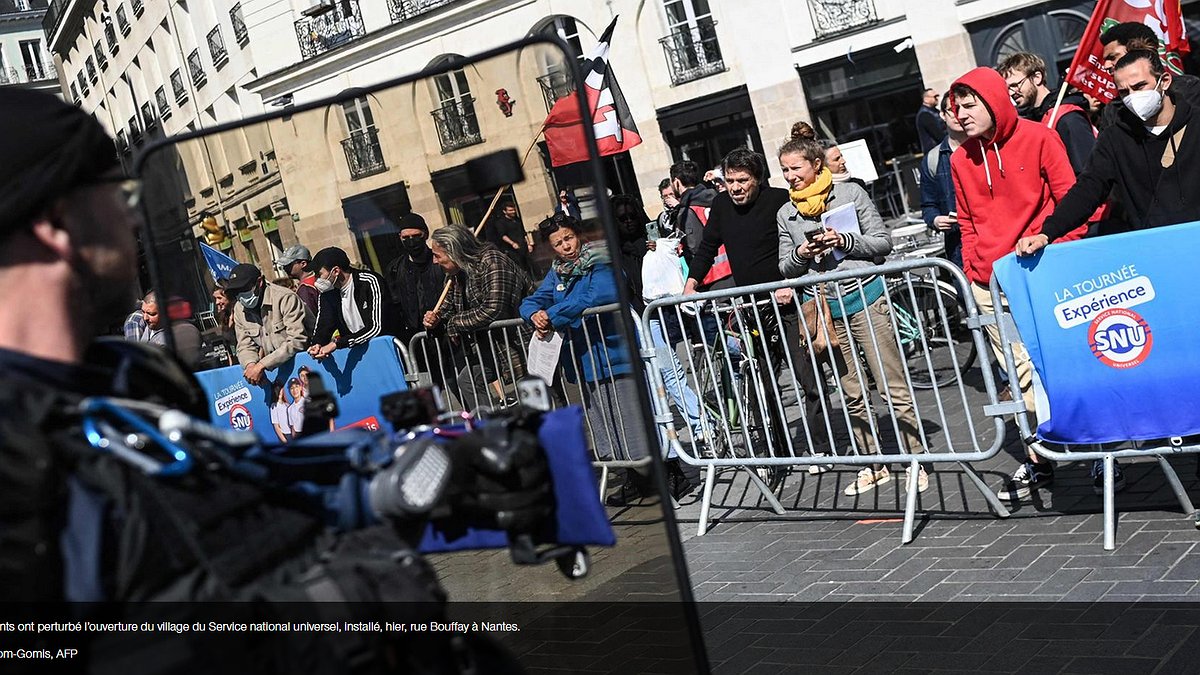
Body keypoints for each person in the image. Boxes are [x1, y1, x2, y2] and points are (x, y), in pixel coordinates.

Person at [0, 90, 545, 673]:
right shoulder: (17, 453)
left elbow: (242, 481)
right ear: (57, 221)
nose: (131, 218)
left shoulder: (127, 381)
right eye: (118, 194)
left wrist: (413, 472)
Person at [949, 67, 1087, 501]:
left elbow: (1071, 198)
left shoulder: (1040, 137)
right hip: (989, 282)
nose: (961, 114)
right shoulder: (959, 159)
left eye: (970, 105)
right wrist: (974, 266)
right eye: (956, 107)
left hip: (1041, 271)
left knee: (1062, 364)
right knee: (1018, 371)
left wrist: (1055, 244)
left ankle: (1092, 452)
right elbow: (967, 220)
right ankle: (1041, 459)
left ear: (993, 100)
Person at [776, 124, 930, 495]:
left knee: (891, 384)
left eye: (796, 169)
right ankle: (872, 463)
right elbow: (784, 266)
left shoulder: (850, 192)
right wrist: (801, 254)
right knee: (852, 392)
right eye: (784, 170)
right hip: (828, 307)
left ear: (815, 164)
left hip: (867, 298)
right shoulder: (787, 214)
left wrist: (844, 240)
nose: (790, 177)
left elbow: (882, 241)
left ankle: (915, 459)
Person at [518, 214, 655, 504]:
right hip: (585, 360)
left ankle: (660, 473)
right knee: (605, 423)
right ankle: (632, 477)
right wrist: (533, 313)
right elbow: (534, 299)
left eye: (568, 238)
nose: (566, 247)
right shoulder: (558, 272)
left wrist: (552, 315)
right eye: (558, 243)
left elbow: (595, 297)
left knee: (632, 419)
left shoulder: (601, 260)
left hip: (615, 354)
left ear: (578, 235)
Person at [682, 148, 799, 476]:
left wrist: (789, 282)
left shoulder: (778, 199)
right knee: (763, 380)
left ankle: (822, 444)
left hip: (786, 298)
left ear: (758, 180)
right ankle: (780, 452)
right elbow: (707, 247)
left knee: (806, 374)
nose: (734, 187)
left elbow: (797, 239)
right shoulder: (720, 205)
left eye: (741, 180)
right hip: (751, 305)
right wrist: (691, 284)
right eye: (729, 180)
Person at [1020, 50, 1200, 250]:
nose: (1133, 97)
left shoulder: (1196, 123)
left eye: (1140, 86)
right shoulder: (1115, 138)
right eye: (1124, 92)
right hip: (1155, 252)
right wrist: (1047, 233)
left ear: (1164, 81)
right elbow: (1089, 188)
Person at [611, 195, 704, 499]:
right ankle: (670, 460)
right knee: (651, 394)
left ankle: (702, 425)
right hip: (628, 326)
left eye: (631, 216)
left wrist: (656, 251)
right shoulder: (613, 252)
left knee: (669, 373)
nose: (628, 222)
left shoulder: (649, 244)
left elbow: (654, 281)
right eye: (622, 218)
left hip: (649, 320)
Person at [422, 225, 533, 410]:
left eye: (438, 255)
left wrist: (455, 323)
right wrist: (435, 319)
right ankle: (490, 430)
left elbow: (493, 309)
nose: (434, 261)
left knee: (537, 402)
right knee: (468, 381)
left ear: (455, 251)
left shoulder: (492, 261)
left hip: (520, 343)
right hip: (490, 347)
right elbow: (447, 309)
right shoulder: (455, 275)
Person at [998, 52, 1097, 174]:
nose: (1012, 93)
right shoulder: (1032, 120)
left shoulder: (1068, 118)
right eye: (1008, 89)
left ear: (1037, 77)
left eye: (1015, 85)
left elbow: (1089, 170)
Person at [221, 262, 313, 384]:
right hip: (278, 372)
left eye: (244, 289)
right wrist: (250, 365)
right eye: (236, 292)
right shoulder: (239, 309)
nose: (241, 295)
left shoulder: (284, 298)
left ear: (259, 282)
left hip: (307, 365)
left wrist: (262, 365)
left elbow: (297, 340)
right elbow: (244, 345)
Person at [308, 246, 395, 360]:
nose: (316, 280)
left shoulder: (369, 282)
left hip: (386, 351)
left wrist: (337, 344)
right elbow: (324, 325)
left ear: (336, 271)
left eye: (319, 275)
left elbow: (376, 327)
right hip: (357, 355)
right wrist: (317, 345)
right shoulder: (327, 294)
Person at [919, 92, 968, 267]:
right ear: (942, 115)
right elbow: (928, 205)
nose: (959, 114)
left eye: (966, 107)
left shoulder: (986, 150)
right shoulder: (933, 160)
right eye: (952, 110)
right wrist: (936, 220)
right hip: (959, 249)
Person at [383, 212, 443, 342]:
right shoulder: (394, 269)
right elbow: (394, 306)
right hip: (414, 340)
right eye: (406, 237)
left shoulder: (440, 262)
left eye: (416, 236)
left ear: (425, 234)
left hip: (444, 335)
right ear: (400, 237)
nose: (411, 241)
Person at [670, 160, 724, 287]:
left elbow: (694, 247)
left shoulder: (687, 211)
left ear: (677, 182)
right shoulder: (717, 197)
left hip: (712, 276)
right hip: (732, 268)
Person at [485, 200, 533, 275]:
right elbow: (503, 236)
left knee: (529, 265)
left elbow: (524, 232)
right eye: (510, 210)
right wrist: (512, 243)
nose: (513, 212)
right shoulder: (501, 222)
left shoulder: (517, 220)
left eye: (514, 210)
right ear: (505, 211)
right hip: (512, 249)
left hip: (523, 245)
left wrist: (529, 244)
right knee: (519, 266)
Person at [276, 243, 320, 315]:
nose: (285, 268)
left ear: (303, 264)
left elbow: (308, 317)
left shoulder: (305, 288)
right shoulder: (317, 279)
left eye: (289, 265)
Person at [916, 87, 947, 153]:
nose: (937, 99)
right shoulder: (924, 114)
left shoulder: (935, 111)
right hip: (934, 151)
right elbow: (938, 134)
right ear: (926, 99)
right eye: (934, 97)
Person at [212, 286, 237, 364]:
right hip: (236, 361)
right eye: (215, 299)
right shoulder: (224, 317)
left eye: (219, 298)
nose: (216, 302)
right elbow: (228, 347)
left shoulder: (241, 315)